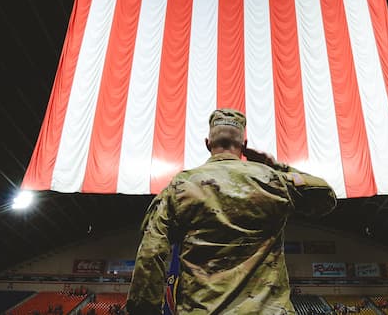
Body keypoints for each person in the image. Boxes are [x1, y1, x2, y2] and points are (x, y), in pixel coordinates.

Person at [126, 108, 337, 315]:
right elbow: (325, 197)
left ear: (208, 144)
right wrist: (275, 166)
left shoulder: (181, 186)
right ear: (243, 145)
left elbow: (151, 252)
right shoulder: (270, 180)